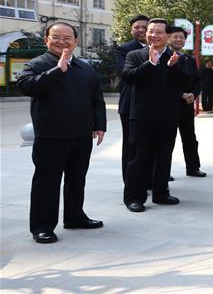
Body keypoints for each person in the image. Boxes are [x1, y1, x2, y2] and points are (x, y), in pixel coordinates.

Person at [18, 22, 106, 244]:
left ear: (76, 41)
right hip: (50, 136)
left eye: (68, 38)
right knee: (47, 182)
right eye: (56, 37)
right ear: (46, 40)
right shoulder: (37, 64)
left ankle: (75, 217)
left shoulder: (86, 68)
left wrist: (99, 125)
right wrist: (58, 70)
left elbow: (96, 98)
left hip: (81, 134)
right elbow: (26, 86)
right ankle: (42, 226)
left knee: (77, 179)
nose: (62, 41)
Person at [121, 19, 192, 213]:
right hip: (141, 115)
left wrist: (174, 67)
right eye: (150, 31)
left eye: (159, 32)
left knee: (163, 155)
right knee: (138, 157)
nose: (153, 35)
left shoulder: (177, 57)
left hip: (168, 115)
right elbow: (128, 77)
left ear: (167, 36)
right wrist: (150, 63)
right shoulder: (135, 55)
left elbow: (187, 83)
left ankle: (161, 192)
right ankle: (134, 197)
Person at [168, 27, 206, 178]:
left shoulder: (189, 59)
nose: (178, 40)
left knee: (190, 138)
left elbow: (198, 80)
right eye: (175, 37)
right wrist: (180, 94)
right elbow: (164, 83)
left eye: (181, 38)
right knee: (167, 139)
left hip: (187, 106)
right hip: (169, 105)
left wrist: (193, 94)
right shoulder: (163, 57)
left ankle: (193, 167)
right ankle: (163, 171)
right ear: (168, 38)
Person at [114, 14, 148, 183]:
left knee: (152, 145)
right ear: (131, 30)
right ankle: (131, 182)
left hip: (155, 106)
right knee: (131, 145)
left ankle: (150, 179)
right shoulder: (124, 49)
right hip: (131, 104)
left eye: (144, 27)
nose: (141, 30)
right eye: (137, 27)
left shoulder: (162, 48)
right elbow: (126, 74)